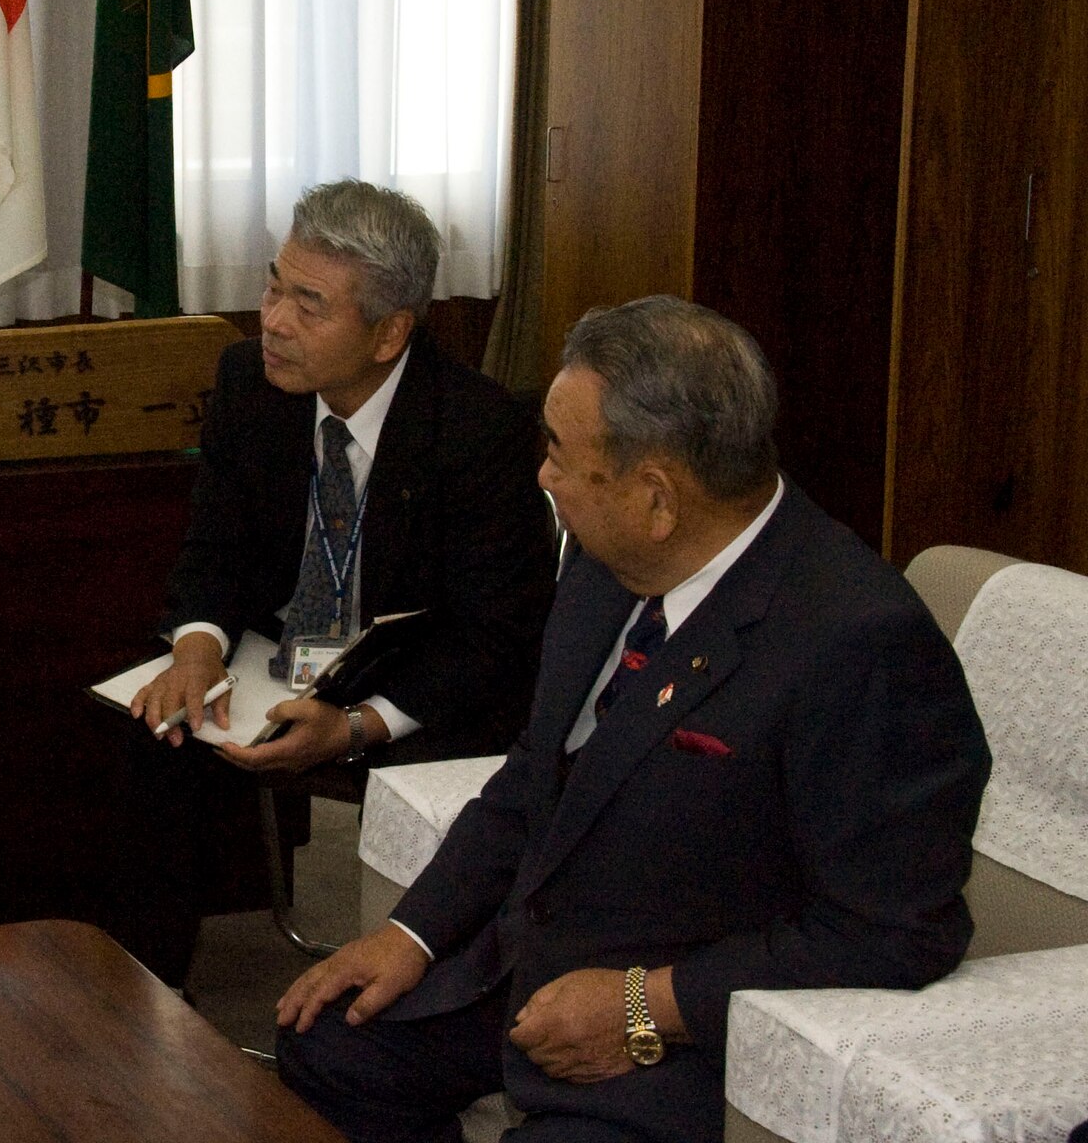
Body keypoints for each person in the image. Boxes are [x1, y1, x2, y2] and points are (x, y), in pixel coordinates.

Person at [274, 296, 992, 1142]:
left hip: (683, 1041)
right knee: (322, 1040)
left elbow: (894, 934)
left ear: (657, 495)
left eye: (559, 456)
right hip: (529, 969)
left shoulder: (859, 642)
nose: (541, 476)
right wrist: (413, 933)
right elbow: (533, 773)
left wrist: (644, 1008)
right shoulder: (606, 559)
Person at [103, 180, 556, 985]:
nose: (273, 320)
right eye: (275, 284)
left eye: (308, 305)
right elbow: (214, 546)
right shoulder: (250, 383)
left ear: (388, 334)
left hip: (409, 675)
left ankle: (412, 990)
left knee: (475, 755)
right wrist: (197, 649)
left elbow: (495, 639)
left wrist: (354, 728)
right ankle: (149, 998)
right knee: (153, 730)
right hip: (274, 652)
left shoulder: (479, 430)